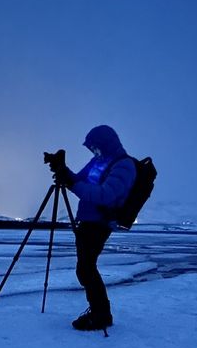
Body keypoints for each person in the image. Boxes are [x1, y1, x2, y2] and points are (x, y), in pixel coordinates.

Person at [47, 125, 136, 331]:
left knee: (86, 268)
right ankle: (99, 311)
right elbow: (79, 181)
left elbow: (104, 195)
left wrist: (71, 183)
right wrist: (63, 170)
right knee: (84, 268)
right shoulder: (98, 161)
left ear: (107, 143)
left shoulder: (124, 165)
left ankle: (101, 314)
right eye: (92, 148)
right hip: (87, 221)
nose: (94, 151)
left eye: (96, 147)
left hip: (100, 223)